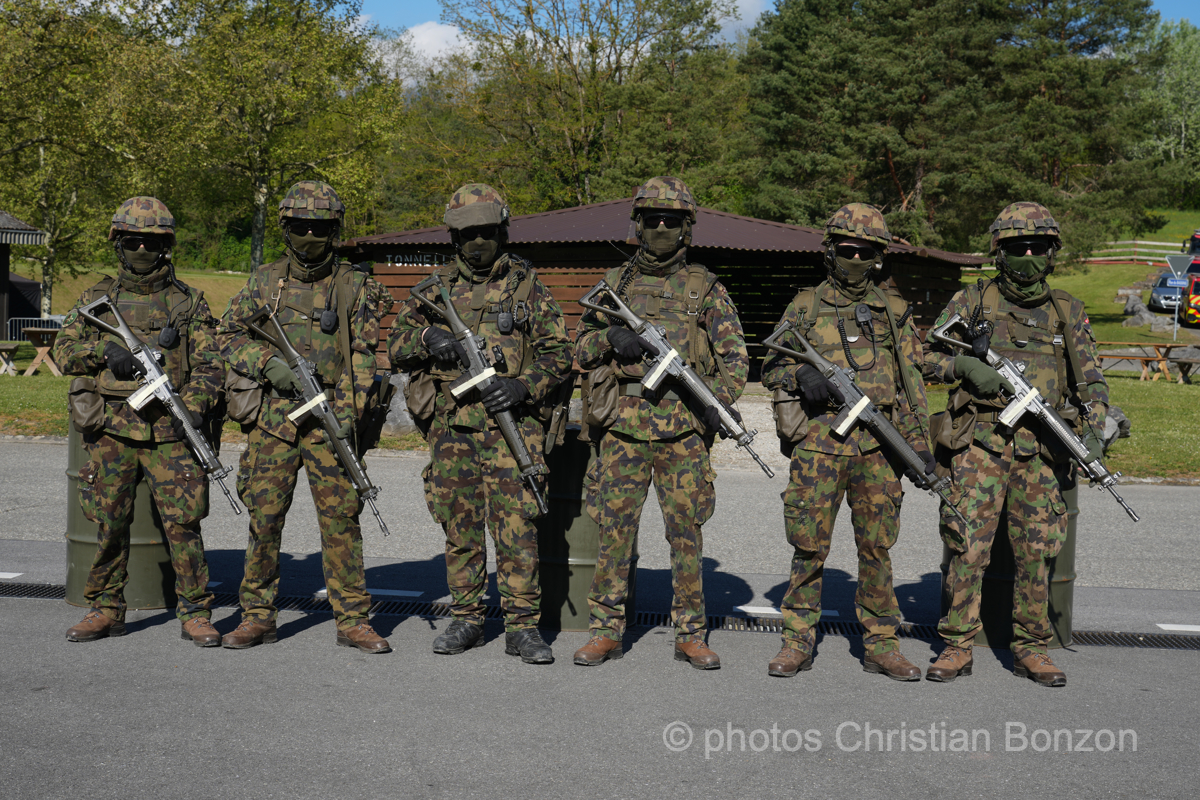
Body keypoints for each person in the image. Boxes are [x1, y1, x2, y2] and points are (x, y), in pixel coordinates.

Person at [923, 202, 1107, 687]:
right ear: (998, 252)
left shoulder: (1067, 310)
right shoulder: (973, 302)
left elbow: (1091, 381)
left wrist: (1094, 427)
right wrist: (962, 367)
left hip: (1041, 452)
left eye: (1037, 247)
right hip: (978, 447)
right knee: (967, 548)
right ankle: (957, 644)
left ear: (1051, 253)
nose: (1028, 254)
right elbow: (923, 356)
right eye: (1016, 247)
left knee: (1036, 553)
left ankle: (1032, 648)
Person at [387, 183, 571, 664]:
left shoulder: (528, 289)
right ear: (454, 238)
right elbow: (396, 345)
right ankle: (467, 619)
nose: (478, 243)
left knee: (517, 531)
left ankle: (522, 628)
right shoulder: (432, 293)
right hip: (452, 433)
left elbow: (560, 354)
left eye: (487, 232)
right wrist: (429, 335)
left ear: (502, 230)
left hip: (514, 434)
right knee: (460, 528)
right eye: (468, 234)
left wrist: (524, 385)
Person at [572, 176, 748, 670]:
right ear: (639, 225)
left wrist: (719, 403)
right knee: (614, 536)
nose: (662, 228)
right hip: (622, 431)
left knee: (686, 536)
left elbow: (735, 358)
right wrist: (611, 337)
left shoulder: (704, 287)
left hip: (683, 432)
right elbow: (578, 348)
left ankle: (691, 634)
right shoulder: (614, 284)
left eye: (672, 221)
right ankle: (605, 631)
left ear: (687, 227)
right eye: (654, 221)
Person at [217, 180, 394, 653]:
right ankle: (257, 616)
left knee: (341, 520)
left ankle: (353, 618)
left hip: (332, 418)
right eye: (301, 227)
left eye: (320, 227)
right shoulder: (264, 282)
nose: (310, 235)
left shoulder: (357, 286)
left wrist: (347, 419)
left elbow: (364, 359)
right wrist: (267, 364)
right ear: (286, 228)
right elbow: (228, 335)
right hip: (275, 420)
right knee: (265, 518)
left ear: (334, 229)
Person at [760, 203, 930, 681]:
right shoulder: (805, 305)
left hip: (878, 452)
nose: (855, 258)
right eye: (846, 249)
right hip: (818, 449)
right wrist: (799, 372)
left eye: (865, 251)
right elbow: (770, 362)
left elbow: (913, 387)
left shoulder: (894, 312)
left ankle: (881, 644)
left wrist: (919, 447)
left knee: (877, 549)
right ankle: (797, 640)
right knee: (809, 547)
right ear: (831, 250)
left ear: (878, 257)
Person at [54, 197, 221, 646]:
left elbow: (211, 364)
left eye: (152, 241)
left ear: (166, 245)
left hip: (171, 430)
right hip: (112, 429)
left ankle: (195, 612)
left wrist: (193, 407)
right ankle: (106, 607)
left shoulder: (188, 303)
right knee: (109, 522)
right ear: (118, 243)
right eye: (134, 241)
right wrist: (102, 352)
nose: (142, 249)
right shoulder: (96, 301)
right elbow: (63, 349)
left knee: (184, 524)